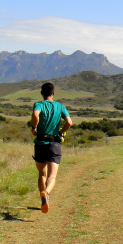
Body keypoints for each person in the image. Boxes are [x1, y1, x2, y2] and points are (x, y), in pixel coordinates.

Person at [31, 82, 73, 213]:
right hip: (54, 144)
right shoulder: (60, 106)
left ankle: (43, 197)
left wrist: (34, 127)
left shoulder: (39, 105)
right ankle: (46, 193)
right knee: (52, 176)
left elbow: (35, 115)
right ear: (53, 94)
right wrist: (61, 131)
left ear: (42, 93)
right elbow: (69, 122)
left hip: (40, 143)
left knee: (41, 173)